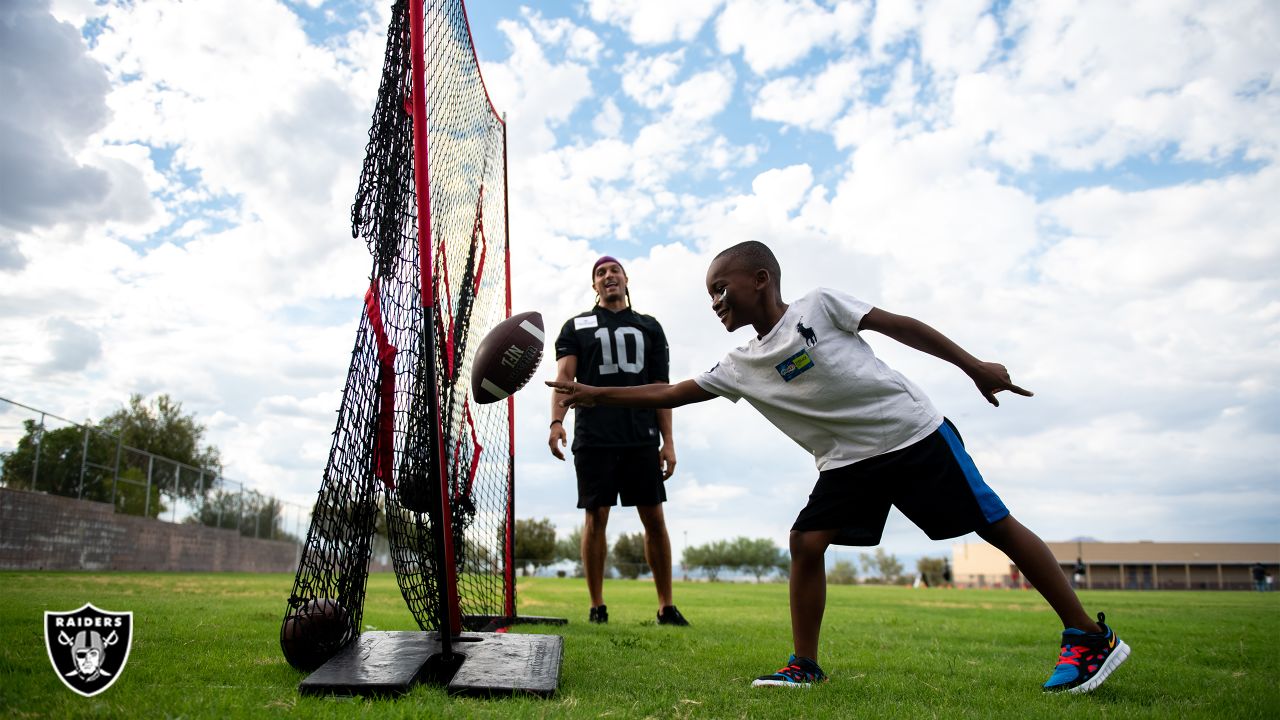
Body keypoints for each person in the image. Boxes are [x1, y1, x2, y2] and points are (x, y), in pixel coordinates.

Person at [548, 241, 1129, 693]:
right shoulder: (742, 363)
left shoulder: (819, 306)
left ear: (761, 280)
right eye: (709, 296)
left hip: (909, 432)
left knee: (992, 524)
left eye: (721, 290)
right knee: (807, 540)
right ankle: (805, 665)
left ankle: (1087, 634)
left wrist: (974, 366)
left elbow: (903, 327)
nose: (716, 303)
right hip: (848, 461)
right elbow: (672, 391)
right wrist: (595, 396)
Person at [548, 255, 689, 627]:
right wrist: (556, 421)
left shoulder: (649, 326)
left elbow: (664, 390)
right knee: (596, 518)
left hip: (640, 435)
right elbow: (564, 376)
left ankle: (666, 606)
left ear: (626, 279)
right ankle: (597, 605)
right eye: (600, 273)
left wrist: (668, 441)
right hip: (595, 435)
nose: (608, 276)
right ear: (594, 285)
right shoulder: (576, 326)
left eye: (614, 270)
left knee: (654, 517)